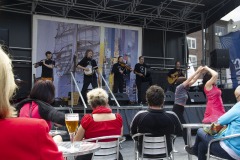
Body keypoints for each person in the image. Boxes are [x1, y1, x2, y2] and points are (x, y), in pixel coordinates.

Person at [0, 46, 63, 160]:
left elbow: (51, 67)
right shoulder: (37, 125)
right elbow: (59, 117)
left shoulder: (23, 103)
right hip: (45, 77)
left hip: (49, 76)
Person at [185, 86, 240, 160]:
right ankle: (195, 150)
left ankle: (194, 150)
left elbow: (221, 121)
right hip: (236, 149)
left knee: (200, 131)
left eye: (236, 97)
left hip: (232, 150)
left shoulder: (238, 106)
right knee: (201, 145)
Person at [130, 85, 183, 155]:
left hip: (144, 152)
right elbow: (178, 131)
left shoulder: (140, 115)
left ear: (147, 99)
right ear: (163, 99)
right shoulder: (172, 116)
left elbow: (133, 133)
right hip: (166, 151)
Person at [74, 88, 123, 160]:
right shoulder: (118, 118)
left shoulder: (88, 119)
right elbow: (120, 137)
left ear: (91, 104)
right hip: (113, 156)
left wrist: (85, 141)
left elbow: (76, 142)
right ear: (106, 102)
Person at [172, 66, 203, 145]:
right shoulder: (179, 88)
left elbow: (194, 80)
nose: (188, 83)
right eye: (185, 82)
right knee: (184, 127)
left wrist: (200, 72)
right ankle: (187, 145)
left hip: (181, 109)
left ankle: (171, 145)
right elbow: (189, 79)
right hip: (176, 109)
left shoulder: (185, 88)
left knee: (176, 129)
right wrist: (197, 71)